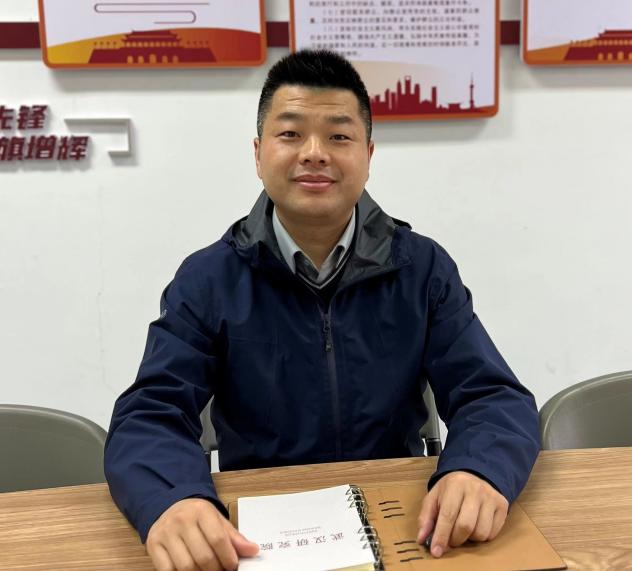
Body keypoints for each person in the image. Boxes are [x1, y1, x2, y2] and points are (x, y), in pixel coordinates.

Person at [105, 49, 540, 571]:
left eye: (338, 136)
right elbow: (150, 414)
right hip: (257, 533)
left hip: (400, 521)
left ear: (369, 154)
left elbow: (492, 395)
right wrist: (172, 498)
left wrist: (478, 469)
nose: (314, 154)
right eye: (290, 134)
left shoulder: (421, 269)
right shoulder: (208, 279)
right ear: (258, 153)